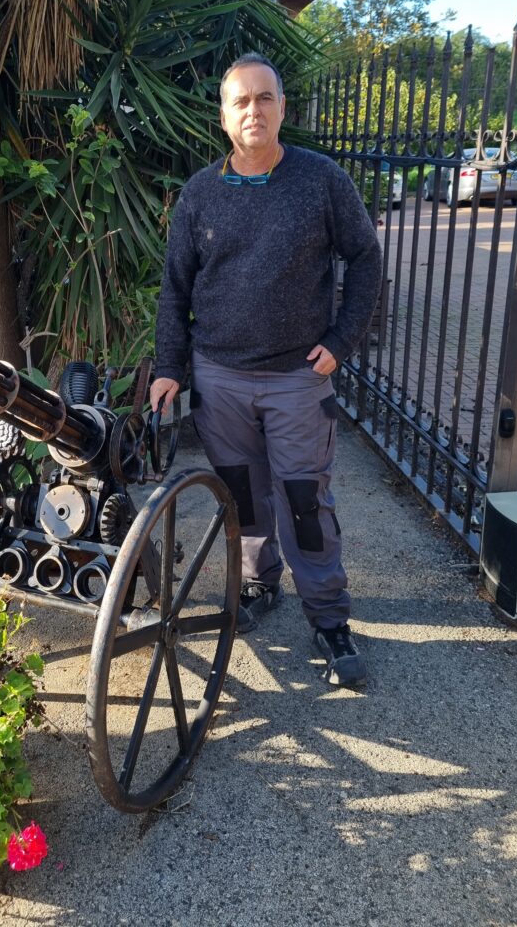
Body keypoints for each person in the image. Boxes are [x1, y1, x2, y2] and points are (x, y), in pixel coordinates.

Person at [150, 52, 382, 689]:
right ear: (224, 117)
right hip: (220, 377)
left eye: (265, 98)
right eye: (241, 101)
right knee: (244, 496)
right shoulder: (199, 194)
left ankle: (330, 619)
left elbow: (366, 258)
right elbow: (175, 289)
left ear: (283, 108)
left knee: (305, 501)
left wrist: (341, 339)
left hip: (296, 379)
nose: (253, 110)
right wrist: (169, 367)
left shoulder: (320, 180)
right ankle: (259, 583)